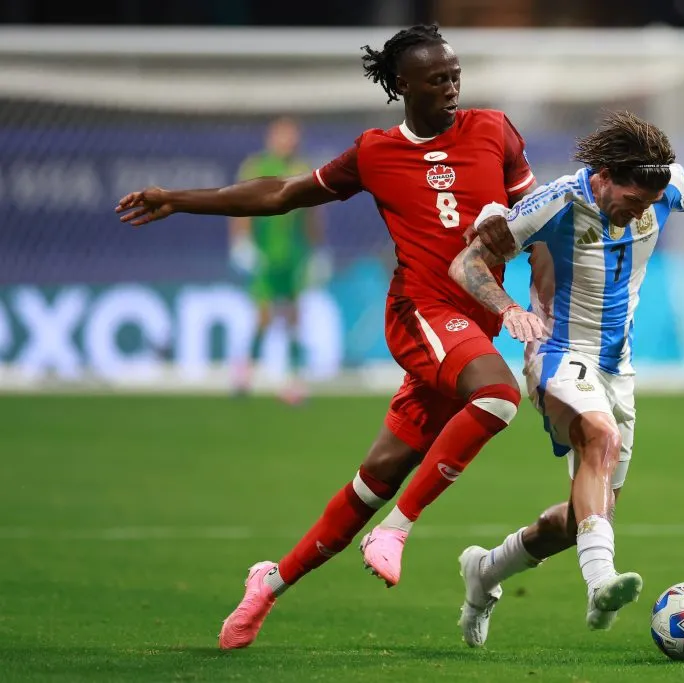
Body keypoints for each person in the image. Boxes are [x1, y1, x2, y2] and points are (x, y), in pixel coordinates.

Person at [114, 24, 536, 649]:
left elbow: (536, 219)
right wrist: (179, 198)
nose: (452, 88)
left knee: (376, 478)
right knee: (499, 396)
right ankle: (398, 530)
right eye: (437, 79)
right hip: (422, 313)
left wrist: (544, 308)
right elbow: (282, 193)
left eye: (455, 75)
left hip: (473, 326)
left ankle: (268, 584)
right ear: (402, 86)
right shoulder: (374, 152)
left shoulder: (495, 130)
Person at [447, 111, 684, 645]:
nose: (642, 211)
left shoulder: (662, 184)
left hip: (616, 365)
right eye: (633, 200)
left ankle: (485, 571)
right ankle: (601, 582)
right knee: (600, 436)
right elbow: (467, 263)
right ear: (604, 175)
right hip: (556, 350)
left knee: (583, 514)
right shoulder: (557, 202)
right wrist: (509, 309)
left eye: (650, 204)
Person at [229, 116, 330, 404]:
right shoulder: (257, 167)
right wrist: (241, 242)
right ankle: (245, 371)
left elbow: (313, 213)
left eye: (292, 135)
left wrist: (318, 251)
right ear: (271, 138)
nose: (288, 140)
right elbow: (240, 207)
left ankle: (294, 380)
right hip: (264, 256)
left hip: (294, 256)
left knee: (294, 318)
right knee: (262, 316)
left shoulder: (303, 169)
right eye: (282, 135)